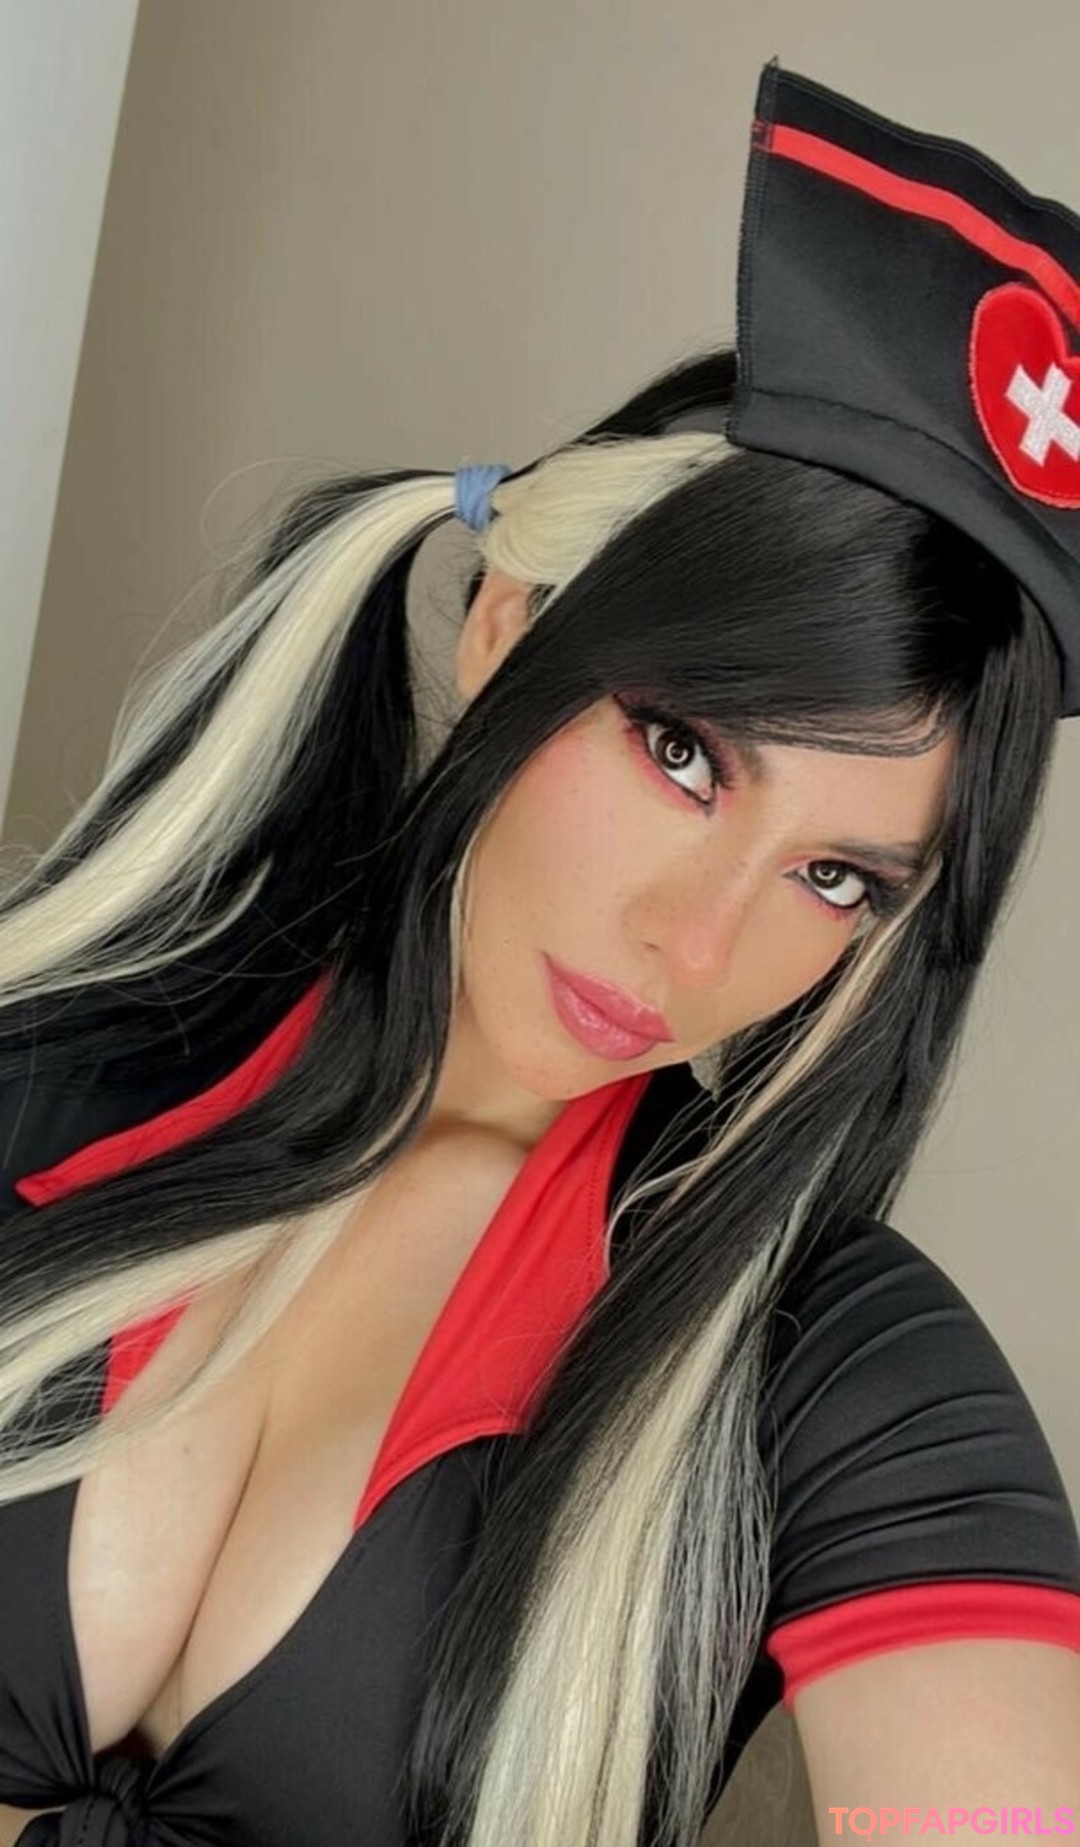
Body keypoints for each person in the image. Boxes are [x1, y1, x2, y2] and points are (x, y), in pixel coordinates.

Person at [0, 61, 1078, 1847]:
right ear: (508, 627)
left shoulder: (829, 1372)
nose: (699, 941)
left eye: (836, 878)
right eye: (685, 757)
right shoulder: (65, 1048)